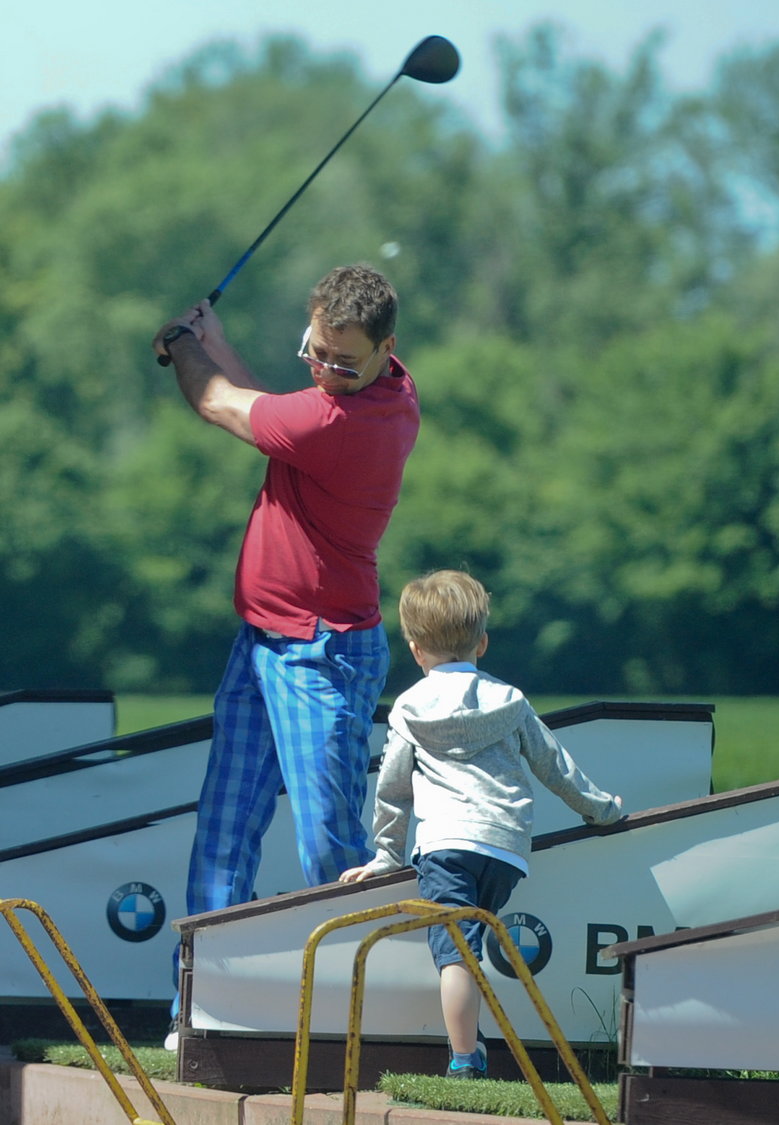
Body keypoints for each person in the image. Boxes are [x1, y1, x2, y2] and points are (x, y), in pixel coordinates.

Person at [152, 264, 420, 1044]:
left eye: (346, 362)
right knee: (223, 831)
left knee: (328, 841)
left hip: (321, 651)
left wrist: (180, 342)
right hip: (265, 641)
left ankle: (359, 1019)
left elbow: (216, 403)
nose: (329, 372)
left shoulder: (348, 422)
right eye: (318, 354)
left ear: (386, 350)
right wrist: (220, 343)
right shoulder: (361, 391)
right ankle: (197, 1012)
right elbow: (263, 406)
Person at [340, 569, 623, 1079]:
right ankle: (475, 1039)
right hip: (504, 850)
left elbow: (394, 788)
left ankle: (464, 1059)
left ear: (415, 649)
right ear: (483, 642)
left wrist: (386, 854)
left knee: (455, 956)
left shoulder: (408, 708)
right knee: (469, 945)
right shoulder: (509, 701)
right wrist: (602, 810)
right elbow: (555, 766)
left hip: (445, 846)